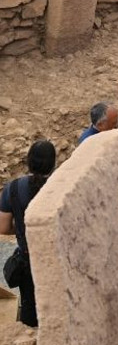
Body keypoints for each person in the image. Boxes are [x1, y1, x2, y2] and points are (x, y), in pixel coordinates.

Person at [0, 140, 56, 327]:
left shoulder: (13, 188)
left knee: (29, 307)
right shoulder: (60, 188)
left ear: (28, 161)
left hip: (27, 259)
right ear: (53, 163)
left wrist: (25, 228)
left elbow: (3, 228)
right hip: (56, 259)